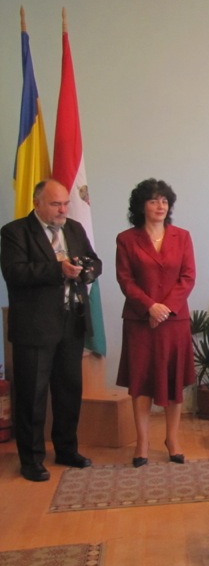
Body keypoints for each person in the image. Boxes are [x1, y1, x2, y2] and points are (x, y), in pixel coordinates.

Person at [1, 179, 102, 481]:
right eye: (56, 204)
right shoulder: (15, 232)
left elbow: (94, 261)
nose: (63, 209)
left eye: (66, 203)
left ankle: (67, 449)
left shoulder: (74, 228)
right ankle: (31, 459)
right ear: (37, 203)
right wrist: (58, 269)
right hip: (34, 328)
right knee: (32, 395)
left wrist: (88, 270)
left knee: (68, 391)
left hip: (71, 322)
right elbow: (15, 272)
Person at [116, 179, 196, 468]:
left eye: (164, 201)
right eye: (153, 201)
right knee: (142, 382)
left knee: (174, 380)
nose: (160, 206)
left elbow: (188, 277)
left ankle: (172, 439)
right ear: (141, 206)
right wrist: (150, 306)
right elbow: (125, 280)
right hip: (140, 321)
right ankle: (142, 442)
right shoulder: (126, 239)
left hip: (174, 321)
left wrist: (166, 308)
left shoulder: (182, 236)